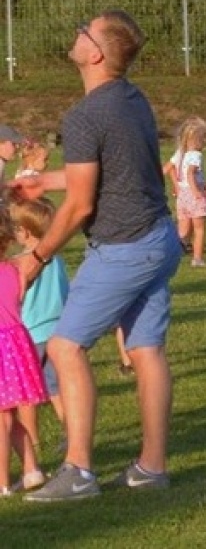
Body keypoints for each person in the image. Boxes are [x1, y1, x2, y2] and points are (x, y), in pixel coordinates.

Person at [19, 10, 183, 501]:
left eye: (83, 30)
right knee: (146, 350)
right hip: (160, 239)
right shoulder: (133, 99)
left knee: (66, 348)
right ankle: (151, 468)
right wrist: (39, 182)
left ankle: (79, 471)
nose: (76, 33)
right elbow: (107, 172)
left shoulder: (85, 115)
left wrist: (38, 257)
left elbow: (82, 204)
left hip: (125, 248)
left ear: (95, 53)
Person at [9, 197, 65, 493]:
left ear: (25, 231)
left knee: (25, 399)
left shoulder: (20, 263)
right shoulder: (55, 259)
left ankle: (32, 449)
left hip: (28, 334)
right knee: (56, 389)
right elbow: (65, 292)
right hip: (56, 330)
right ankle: (71, 431)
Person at [1, 211, 50, 497]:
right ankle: (31, 470)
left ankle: (3, 482)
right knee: (10, 415)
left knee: (3, 419)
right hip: (17, 345)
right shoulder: (17, 269)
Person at [166, 117, 206, 268]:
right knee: (199, 228)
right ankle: (197, 258)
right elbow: (191, 173)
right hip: (193, 194)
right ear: (197, 139)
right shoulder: (195, 155)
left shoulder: (180, 153)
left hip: (182, 195)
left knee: (183, 230)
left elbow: (168, 168)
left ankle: (169, 254)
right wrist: (197, 191)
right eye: (204, 138)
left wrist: (177, 185)